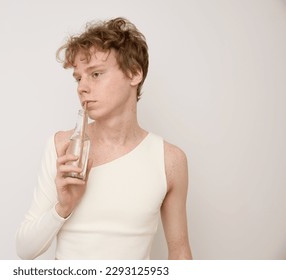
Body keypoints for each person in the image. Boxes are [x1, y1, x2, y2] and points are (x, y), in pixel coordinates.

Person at [16, 17, 192, 260]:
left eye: (96, 74)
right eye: (79, 78)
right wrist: (63, 208)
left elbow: (180, 253)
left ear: (134, 74)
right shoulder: (62, 148)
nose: (82, 87)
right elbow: (25, 249)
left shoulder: (169, 160)